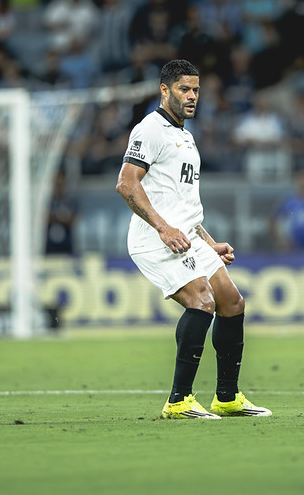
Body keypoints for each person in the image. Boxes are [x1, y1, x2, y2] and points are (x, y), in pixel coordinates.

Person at [115, 59, 271, 419]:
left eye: (196, 90)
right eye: (184, 89)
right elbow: (126, 183)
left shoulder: (185, 135)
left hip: (187, 235)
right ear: (164, 90)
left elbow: (183, 204)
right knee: (202, 300)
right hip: (154, 238)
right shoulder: (150, 129)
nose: (192, 97)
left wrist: (209, 241)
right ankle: (179, 400)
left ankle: (227, 397)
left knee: (232, 302)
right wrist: (163, 228)